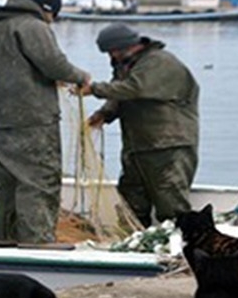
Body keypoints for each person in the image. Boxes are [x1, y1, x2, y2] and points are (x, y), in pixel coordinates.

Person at [0, 0, 89, 247]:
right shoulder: (32, 26)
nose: (52, 22)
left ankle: (5, 239)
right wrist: (80, 77)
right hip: (32, 120)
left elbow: (6, 62)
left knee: (6, 183)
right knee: (38, 180)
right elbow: (53, 64)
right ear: (47, 10)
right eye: (53, 16)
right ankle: (37, 242)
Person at [79, 24, 199, 227]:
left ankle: (179, 247)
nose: (112, 56)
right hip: (138, 147)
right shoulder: (127, 64)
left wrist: (94, 89)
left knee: (170, 199)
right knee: (131, 199)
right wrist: (105, 114)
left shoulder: (159, 62)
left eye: (112, 51)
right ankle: (133, 238)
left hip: (169, 146)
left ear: (127, 46)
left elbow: (135, 89)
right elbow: (120, 95)